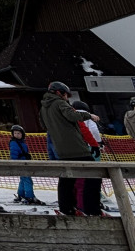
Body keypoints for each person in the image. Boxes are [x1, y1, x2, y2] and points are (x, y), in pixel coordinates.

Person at [40, 82, 101, 216]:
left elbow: (43, 124)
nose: (67, 97)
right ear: (59, 92)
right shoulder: (59, 103)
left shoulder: (44, 107)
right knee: (94, 174)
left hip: (60, 149)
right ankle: (92, 209)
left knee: (67, 179)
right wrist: (88, 116)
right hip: (76, 147)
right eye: (66, 94)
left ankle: (66, 208)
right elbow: (73, 116)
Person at [9, 125, 44, 205]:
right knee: (27, 180)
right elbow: (14, 153)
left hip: (24, 163)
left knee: (23, 179)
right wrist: (15, 162)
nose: (17, 135)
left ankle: (21, 195)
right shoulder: (14, 143)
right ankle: (29, 196)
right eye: (15, 133)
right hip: (21, 163)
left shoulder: (21, 142)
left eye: (18, 133)